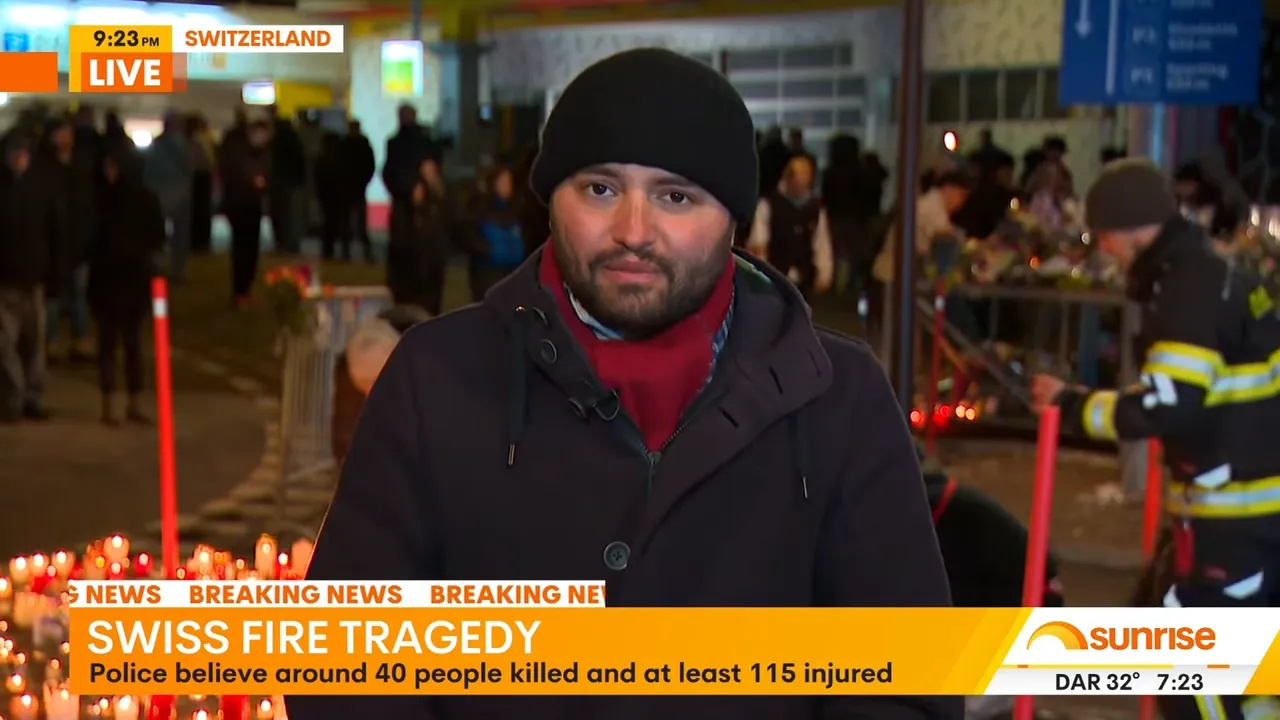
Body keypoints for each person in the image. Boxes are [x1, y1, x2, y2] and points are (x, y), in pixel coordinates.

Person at [289, 47, 958, 720]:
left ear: (731, 216)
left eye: (676, 196)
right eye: (600, 189)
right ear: (552, 199)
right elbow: (345, 664)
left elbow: (907, 686)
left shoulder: (840, 399)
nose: (633, 233)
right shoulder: (435, 378)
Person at [1032, 159, 1280, 720]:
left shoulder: (1184, 291)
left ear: (1125, 232)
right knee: (1251, 669)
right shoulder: (1213, 273)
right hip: (1255, 504)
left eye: (1104, 238)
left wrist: (1070, 406)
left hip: (1236, 514)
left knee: (1187, 663)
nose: (1105, 252)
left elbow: (1169, 402)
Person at [89, 147, 164, 425]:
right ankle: (118, 403)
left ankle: (122, 402)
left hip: (122, 283)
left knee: (122, 346)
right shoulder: (114, 199)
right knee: (119, 345)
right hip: (121, 284)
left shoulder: (117, 200)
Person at [0, 136, 59, 422]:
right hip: (7, 282)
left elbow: (54, 230)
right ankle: (15, 397)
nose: (19, 157)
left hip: (33, 279)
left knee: (34, 347)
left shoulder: (38, 189)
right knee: (6, 345)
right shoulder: (8, 190)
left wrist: (54, 272)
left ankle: (31, 398)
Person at [330, 305, 432, 466]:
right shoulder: (347, 377)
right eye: (363, 384)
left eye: (376, 382)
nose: (370, 393)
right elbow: (344, 438)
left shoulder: (430, 365)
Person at [746, 153, 834, 299]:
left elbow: (821, 242)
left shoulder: (815, 208)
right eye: (797, 180)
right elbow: (758, 241)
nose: (801, 186)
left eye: (806, 180)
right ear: (787, 177)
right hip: (773, 277)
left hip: (804, 277)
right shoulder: (768, 204)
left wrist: (825, 271)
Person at [220, 121, 271, 305]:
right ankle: (240, 289)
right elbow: (236, 174)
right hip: (241, 205)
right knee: (242, 248)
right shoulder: (240, 153)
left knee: (251, 248)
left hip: (252, 204)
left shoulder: (262, 153)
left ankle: (245, 289)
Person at [143, 112, 193, 283]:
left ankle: (156, 264)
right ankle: (178, 269)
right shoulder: (181, 143)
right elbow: (188, 165)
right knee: (180, 233)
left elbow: (146, 170)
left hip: (156, 193)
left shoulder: (155, 144)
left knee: (156, 232)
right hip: (179, 192)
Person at [464, 163, 525, 301]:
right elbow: (468, 236)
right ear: (494, 183)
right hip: (487, 275)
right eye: (503, 181)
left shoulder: (515, 208)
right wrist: (487, 251)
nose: (507, 185)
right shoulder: (480, 207)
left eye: (509, 181)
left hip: (511, 274)